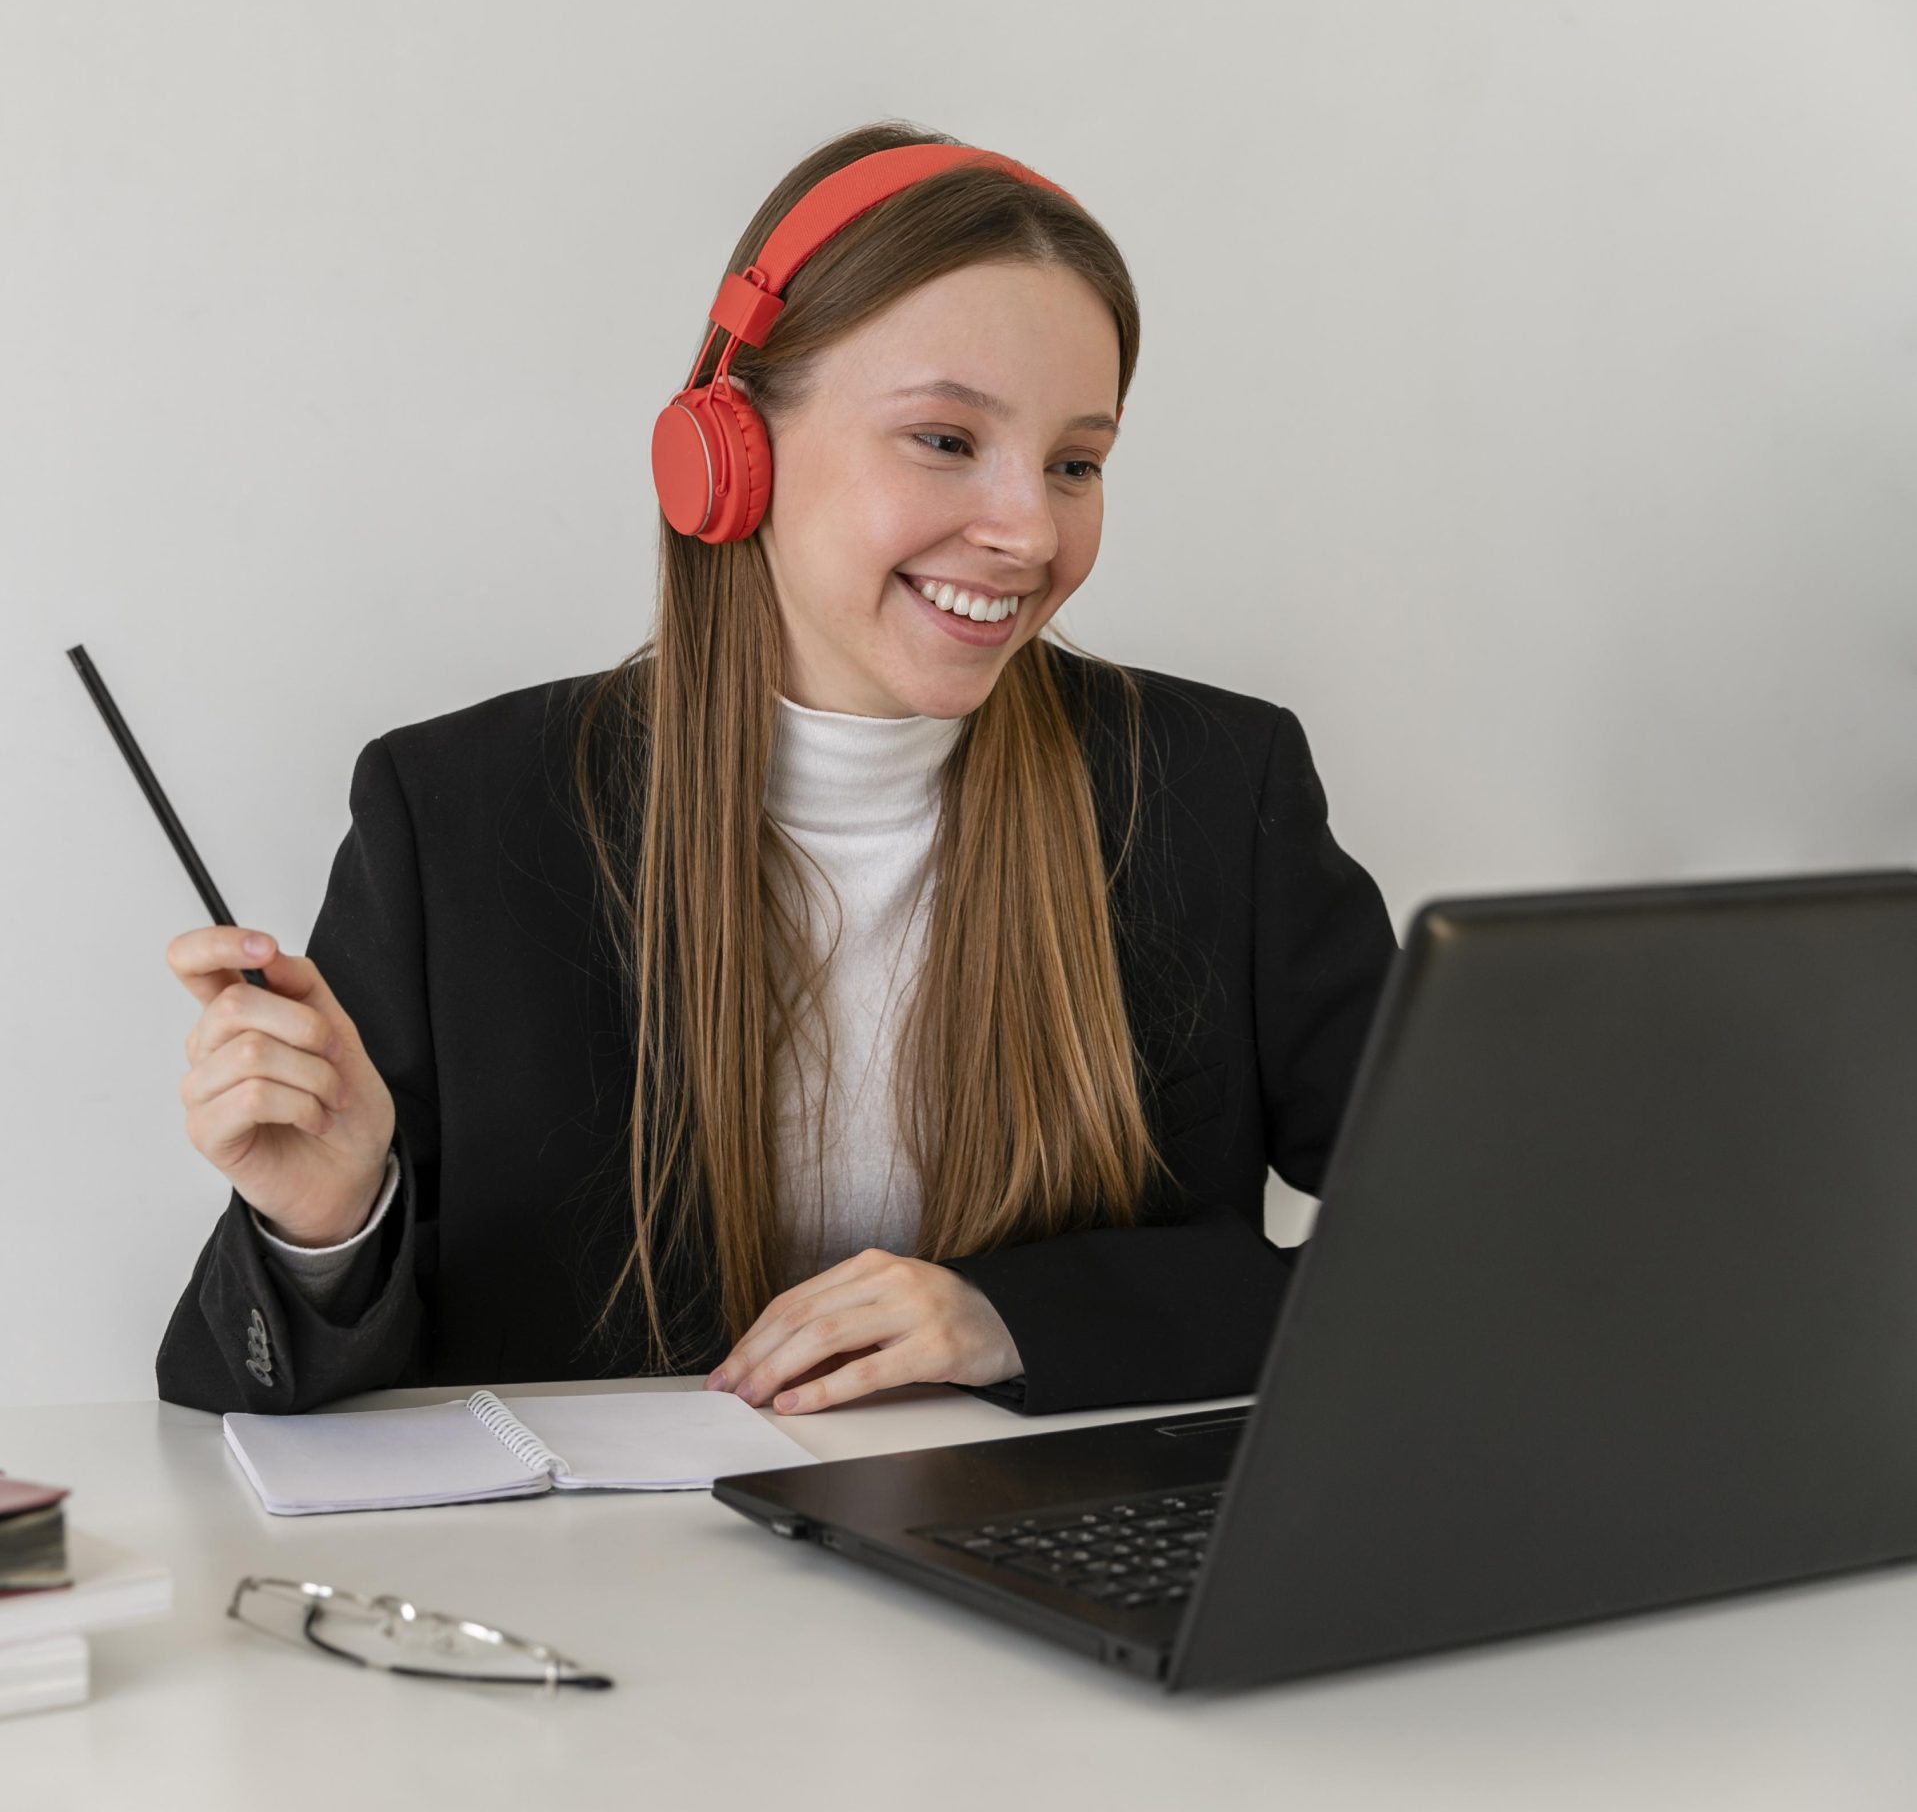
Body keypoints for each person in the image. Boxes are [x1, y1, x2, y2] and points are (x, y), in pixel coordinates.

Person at [155, 119, 1398, 1420]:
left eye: (1075, 463)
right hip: (618, 1606)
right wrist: (329, 1222)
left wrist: (1014, 1316)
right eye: (943, 439)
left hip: (1050, 1579)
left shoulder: (1214, 789)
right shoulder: (457, 818)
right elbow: (232, 1404)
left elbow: (1469, 1244)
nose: (1030, 529)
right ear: (726, 451)